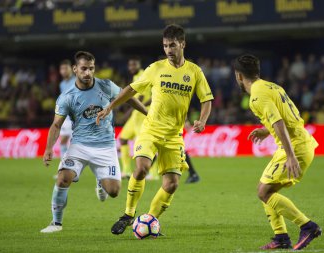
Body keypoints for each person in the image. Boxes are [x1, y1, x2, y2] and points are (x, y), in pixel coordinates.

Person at [96, 24, 213, 235]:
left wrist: (202, 120)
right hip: (150, 129)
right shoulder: (155, 68)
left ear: (183, 44)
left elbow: (206, 100)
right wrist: (110, 107)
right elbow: (131, 89)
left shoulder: (194, 72)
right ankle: (128, 214)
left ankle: (149, 219)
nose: (169, 50)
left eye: (173, 45)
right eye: (166, 45)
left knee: (172, 184)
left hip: (174, 135)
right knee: (141, 168)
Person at [40, 51, 148, 233]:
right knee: (63, 178)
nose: (88, 73)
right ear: (75, 69)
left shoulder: (106, 86)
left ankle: (100, 180)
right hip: (79, 146)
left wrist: (148, 113)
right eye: (83, 69)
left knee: (113, 191)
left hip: (106, 146)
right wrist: (49, 148)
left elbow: (128, 98)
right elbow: (56, 125)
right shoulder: (67, 96)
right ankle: (55, 223)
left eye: (91, 68)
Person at [234, 54, 321, 250]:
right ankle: (281, 237)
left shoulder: (257, 96)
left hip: (294, 147)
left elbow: (279, 122)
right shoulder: (273, 86)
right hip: (300, 141)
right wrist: (266, 130)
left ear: (239, 76)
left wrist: (291, 157)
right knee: (267, 189)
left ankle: (308, 226)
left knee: (263, 191)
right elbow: (291, 115)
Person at [119, 57, 158, 180]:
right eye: (130, 65)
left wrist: (127, 113)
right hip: (135, 116)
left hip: (142, 115)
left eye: (134, 64)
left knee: (144, 146)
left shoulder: (142, 75)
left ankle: (154, 174)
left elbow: (140, 99)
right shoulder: (136, 77)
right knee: (123, 139)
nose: (131, 67)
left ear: (139, 65)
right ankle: (126, 171)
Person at [58, 60, 75, 158]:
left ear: (71, 69)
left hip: (77, 117)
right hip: (66, 117)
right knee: (63, 141)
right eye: (61, 69)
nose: (63, 71)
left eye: (65, 68)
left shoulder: (77, 81)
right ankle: (64, 168)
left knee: (76, 145)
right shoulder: (62, 84)